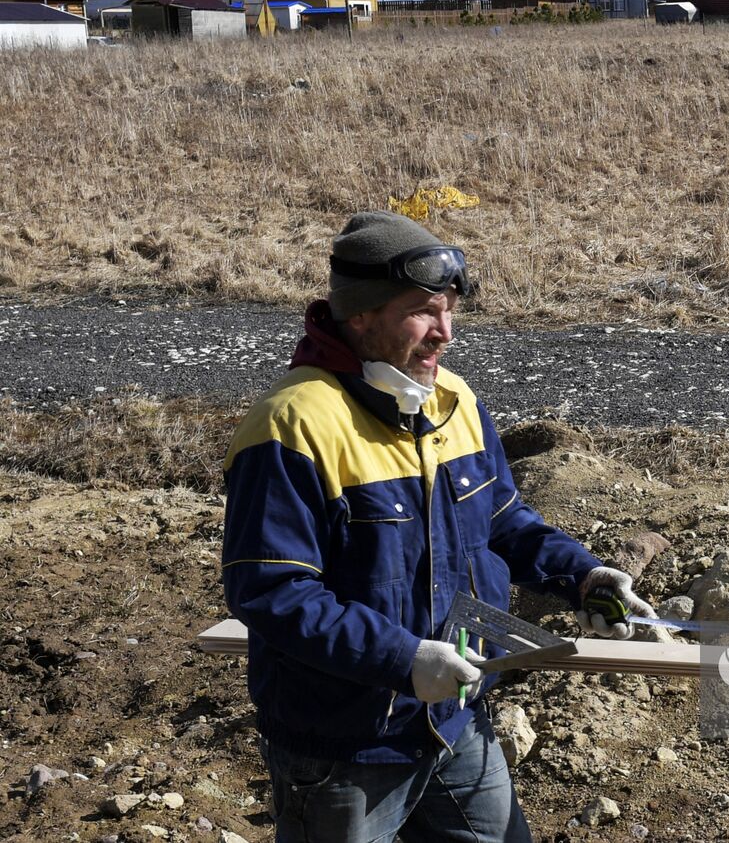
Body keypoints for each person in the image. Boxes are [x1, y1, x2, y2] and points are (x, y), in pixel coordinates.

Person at [222, 211, 657, 843]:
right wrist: (405, 660)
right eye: (424, 312)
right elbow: (272, 592)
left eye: (451, 311)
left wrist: (581, 575)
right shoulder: (293, 426)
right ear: (361, 314)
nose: (444, 333)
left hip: (454, 724)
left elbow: (503, 518)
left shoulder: (452, 401)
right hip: (344, 749)